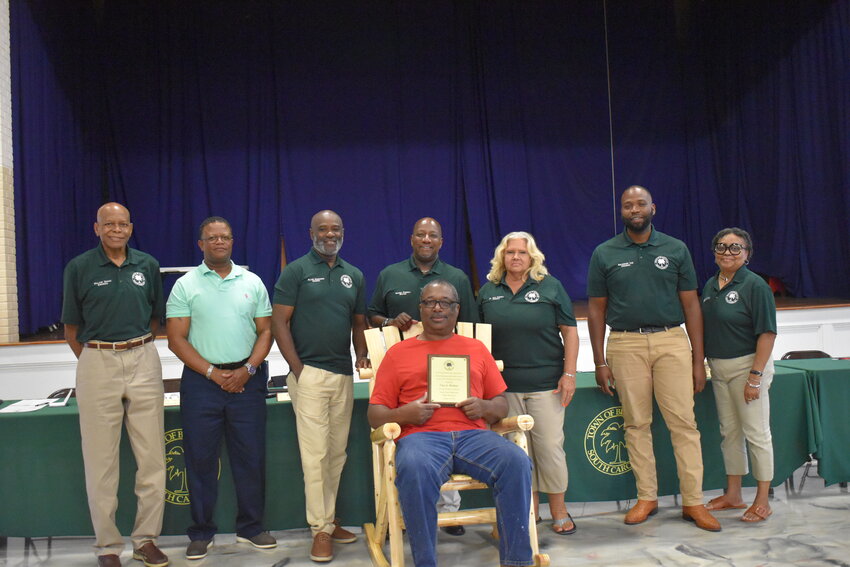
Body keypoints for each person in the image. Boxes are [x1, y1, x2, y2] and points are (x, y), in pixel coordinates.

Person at [368, 280, 534, 567]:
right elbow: (374, 414)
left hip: (474, 436)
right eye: (430, 302)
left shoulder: (476, 348)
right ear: (420, 309)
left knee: (516, 462)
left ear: (457, 310)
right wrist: (404, 414)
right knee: (414, 469)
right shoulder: (398, 354)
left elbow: (501, 404)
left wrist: (483, 406)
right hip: (422, 438)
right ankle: (426, 563)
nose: (437, 308)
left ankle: (517, 562)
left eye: (445, 302)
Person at [586, 185, 720, 532]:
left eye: (640, 203)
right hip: (625, 345)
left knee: (684, 425)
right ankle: (647, 497)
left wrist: (697, 359)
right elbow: (596, 310)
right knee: (636, 424)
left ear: (653, 208)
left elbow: (691, 304)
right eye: (628, 205)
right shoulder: (604, 252)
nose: (634, 209)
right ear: (622, 211)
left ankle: (694, 502)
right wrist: (599, 361)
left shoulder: (675, 248)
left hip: (671, 341)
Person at [61, 202, 169, 567]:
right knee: (101, 461)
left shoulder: (148, 265)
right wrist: (99, 359)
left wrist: (132, 349)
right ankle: (108, 547)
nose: (116, 230)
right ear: (97, 228)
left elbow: (156, 316)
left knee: (152, 457)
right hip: (97, 360)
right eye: (109, 224)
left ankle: (146, 540)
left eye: (123, 224)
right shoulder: (79, 267)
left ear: (131, 227)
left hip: (143, 356)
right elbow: (71, 329)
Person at [166, 216, 276, 560]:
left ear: (232, 241)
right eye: (211, 238)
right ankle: (200, 533)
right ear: (201, 244)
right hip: (202, 383)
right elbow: (175, 339)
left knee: (251, 457)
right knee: (199, 460)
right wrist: (213, 373)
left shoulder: (253, 281)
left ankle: (251, 528)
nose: (219, 242)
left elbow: (266, 332)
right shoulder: (185, 285)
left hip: (247, 380)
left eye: (224, 237)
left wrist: (249, 368)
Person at [367, 216, 477, 535]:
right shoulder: (391, 274)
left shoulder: (456, 276)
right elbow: (372, 313)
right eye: (420, 235)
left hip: (449, 370)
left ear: (441, 242)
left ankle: (450, 513)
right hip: (403, 372)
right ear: (411, 239)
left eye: (433, 235)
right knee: (411, 439)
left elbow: (469, 323)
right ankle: (406, 512)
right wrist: (388, 320)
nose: (426, 240)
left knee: (450, 423)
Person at [271, 210, 369, 563]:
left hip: (343, 375)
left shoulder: (353, 275)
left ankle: (329, 520)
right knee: (314, 456)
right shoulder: (296, 271)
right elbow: (279, 322)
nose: (329, 235)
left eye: (336, 229)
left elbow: (358, 325)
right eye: (322, 229)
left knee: (336, 454)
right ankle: (320, 529)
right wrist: (297, 369)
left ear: (343, 233)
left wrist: (361, 356)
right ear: (310, 232)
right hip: (309, 374)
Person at [478, 231, 579, 535]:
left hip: (546, 384)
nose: (516, 257)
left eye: (522, 252)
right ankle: (530, 511)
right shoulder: (487, 291)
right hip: (504, 388)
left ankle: (559, 510)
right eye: (510, 253)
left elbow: (570, 331)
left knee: (549, 448)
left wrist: (569, 374)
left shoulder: (550, 287)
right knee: (517, 453)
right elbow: (477, 340)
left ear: (532, 257)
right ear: (502, 257)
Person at [701, 228, 777, 522]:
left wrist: (755, 376)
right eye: (721, 247)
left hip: (748, 368)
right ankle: (733, 495)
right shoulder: (710, 285)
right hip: (719, 368)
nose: (727, 252)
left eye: (735, 248)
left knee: (756, 434)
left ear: (747, 254)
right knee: (729, 434)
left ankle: (762, 500)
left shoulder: (755, 286)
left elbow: (767, 334)